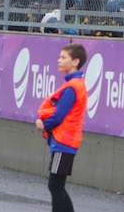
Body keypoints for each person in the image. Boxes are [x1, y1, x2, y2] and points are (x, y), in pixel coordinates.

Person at [35, 43, 88, 212]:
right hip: (66, 140)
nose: (59, 60)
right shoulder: (73, 84)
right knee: (57, 185)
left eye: (63, 57)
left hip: (64, 140)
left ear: (75, 62)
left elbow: (59, 116)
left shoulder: (73, 86)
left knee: (55, 185)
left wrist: (43, 124)